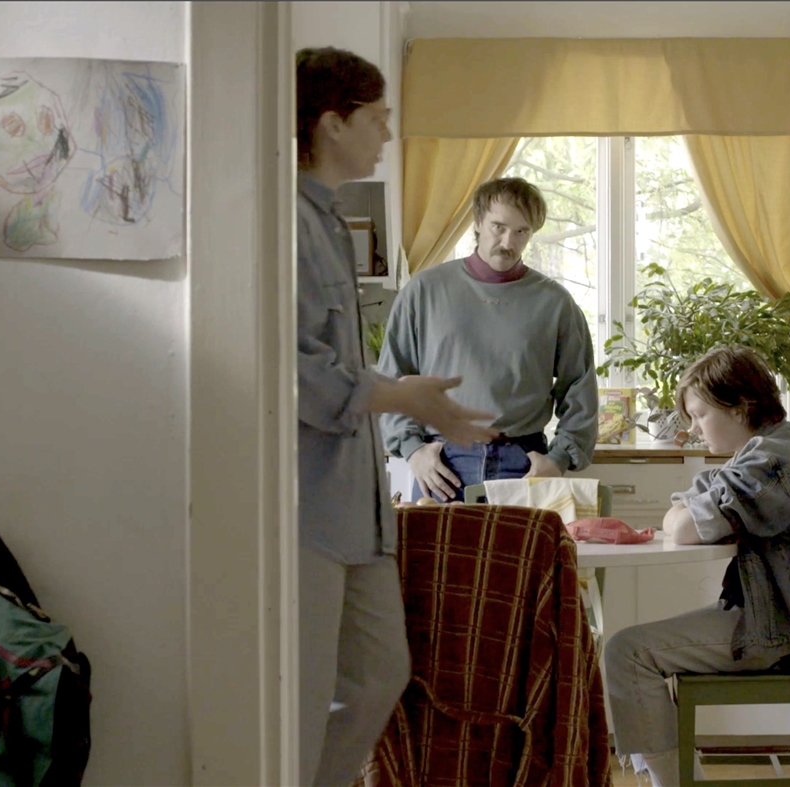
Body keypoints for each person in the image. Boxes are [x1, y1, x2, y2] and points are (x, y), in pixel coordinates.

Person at [294, 47, 499, 787]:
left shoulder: (328, 220)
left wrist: (413, 400)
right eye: (377, 118)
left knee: (381, 673)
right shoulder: (286, 223)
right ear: (332, 122)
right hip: (305, 505)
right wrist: (404, 398)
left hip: (358, 508)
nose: (387, 132)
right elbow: (295, 371)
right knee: (299, 697)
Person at [600, 345, 790, 787]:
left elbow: (683, 526)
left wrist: (684, 515)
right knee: (628, 648)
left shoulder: (771, 463)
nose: (694, 429)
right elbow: (683, 509)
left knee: (627, 652)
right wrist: (685, 513)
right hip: (785, 618)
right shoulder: (766, 451)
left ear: (739, 407)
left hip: (787, 632)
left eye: (700, 415)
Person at [378, 176, 598, 502]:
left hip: (524, 464)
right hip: (442, 465)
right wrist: (413, 450)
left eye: (521, 231)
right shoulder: (423, 291)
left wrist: (558, 459)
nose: (508, 242)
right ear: (478, 222)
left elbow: (580, 386)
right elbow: (392, 379)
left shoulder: (555, 303)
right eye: (499, 227)